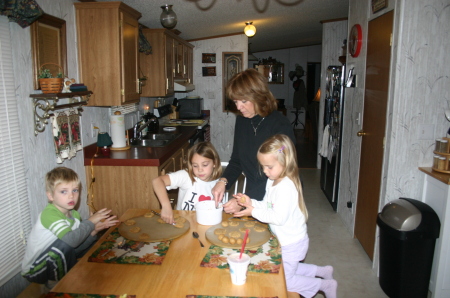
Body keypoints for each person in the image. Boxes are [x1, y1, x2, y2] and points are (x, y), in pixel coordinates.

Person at [233, 134, 338, 298]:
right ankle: (323, 271)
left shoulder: (286, 187)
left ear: (285, 161)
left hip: (292, 242)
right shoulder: (273, 180)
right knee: (288, 267)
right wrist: (250, 202)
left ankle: (325, 285)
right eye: (263, 167)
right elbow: (268, 205)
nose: (265, 171)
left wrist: (252, 211)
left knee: (285, 279)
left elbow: (278, 217)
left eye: (269, 167)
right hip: (285, 240)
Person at [212, 68, 295, 212]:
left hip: (277, 198)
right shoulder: (242, 121)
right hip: (252, 196)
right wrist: (222, 182)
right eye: (235, 101)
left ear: (259, 96)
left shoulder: (280, 125)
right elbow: (237, 160)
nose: (239, 107)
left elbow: (284, 171)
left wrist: (244, 201)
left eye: (244, 101)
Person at [22, 167, 119, 289]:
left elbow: (76, 247)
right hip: (35, 269)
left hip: (56, 260)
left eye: (75, 190)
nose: (71, 196)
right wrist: (90, 221)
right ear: (51, 196)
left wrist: (94, 230)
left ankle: (67, 277)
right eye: (63, 191)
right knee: (68, 240)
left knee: (86, 239)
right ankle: (53, 286)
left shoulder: (74, 215)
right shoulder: (49, 214)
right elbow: (70, 242)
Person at [152, 141, 222, 223]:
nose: (200, 170)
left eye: (205, 165)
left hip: (207, 223)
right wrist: (166, 206)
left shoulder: (219, 183)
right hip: (184, 222)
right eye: (195, 166)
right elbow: (157, 181)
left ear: (215, 163)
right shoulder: (186, 177)